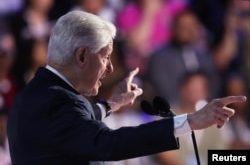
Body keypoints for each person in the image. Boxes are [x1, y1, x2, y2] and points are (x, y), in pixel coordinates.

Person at [7, 11, 246, 165]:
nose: (111, 69)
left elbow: (75, 125)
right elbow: (107, 143)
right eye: (106, 57)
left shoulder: (40, 91)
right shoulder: (57, 102)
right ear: (81, 56)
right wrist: (191, 121)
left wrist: (112, 104)